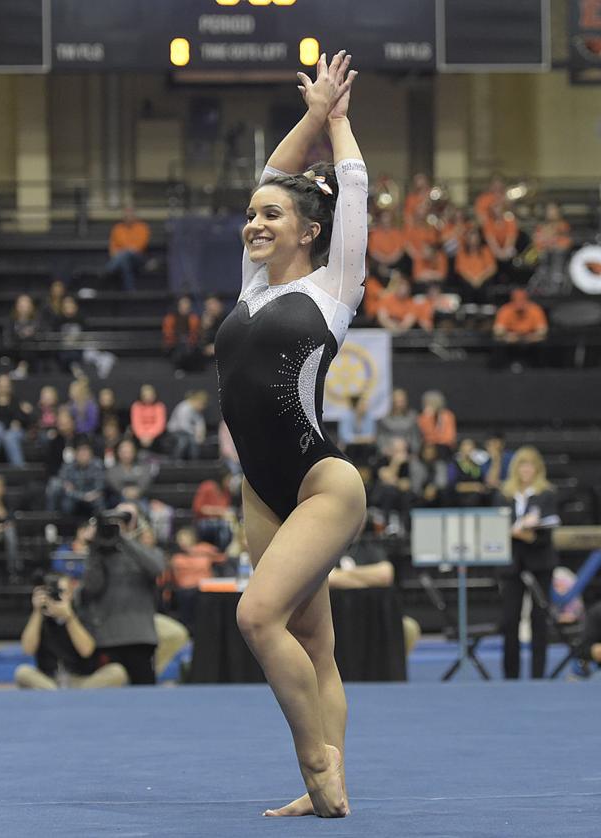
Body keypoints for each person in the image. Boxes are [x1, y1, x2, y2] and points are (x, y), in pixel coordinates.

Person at [211, 51, 361, 818]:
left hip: (318, 485)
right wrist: (309, 113)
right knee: (315, 643)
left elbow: (353, 188)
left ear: (310, 230)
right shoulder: (251, 286)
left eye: (273, 216)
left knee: (255, 616)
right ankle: (330, 791)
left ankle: (314, 763)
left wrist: (336, 123)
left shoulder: (334, 289)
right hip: (260, 492)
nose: (256, 223)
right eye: (253, 214)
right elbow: (273, 168)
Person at [493, 446, 561, 679]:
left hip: (539, 562)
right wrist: (521, 530)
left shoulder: (547, 493)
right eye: (522, 464)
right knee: (510, 619)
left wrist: (522, 532)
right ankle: (510, 674)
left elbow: (545, 532)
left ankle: (538, 673)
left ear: (538, 468)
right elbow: (498, 528)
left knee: (539, 618)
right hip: (512, 564)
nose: (526, 469)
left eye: (530, 465)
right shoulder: (504, 494)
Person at [77, 505, 163, 685]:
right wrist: (94, 548)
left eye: (121, 524)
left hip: (141, 637)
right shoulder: (98, 556)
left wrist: (123, 540)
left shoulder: (146, 552)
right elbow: (92, 587)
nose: (115, 528)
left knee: (145, 695)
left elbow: (156, 568)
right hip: (107, 638)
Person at [14, 573, 129, 689]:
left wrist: (69, 618)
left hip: (81, 681)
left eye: (61, 592)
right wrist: (37, 612)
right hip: (49, 682)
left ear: (71, 593)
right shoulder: (39, 618)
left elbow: (86, 650)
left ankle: (72, 697)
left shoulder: (84, 614)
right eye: (52, 592)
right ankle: (58, 695)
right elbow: (27, 650)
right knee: (22, 672)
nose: (57, 596)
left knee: (117, 671)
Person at [46, 439, 106, 519]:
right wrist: (83, 496)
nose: (83, 455)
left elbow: (99, 488)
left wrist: (76, 491)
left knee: (99, 501)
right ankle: (56, 523)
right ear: (75, 454)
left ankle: (101, 527)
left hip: (92, 496)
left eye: (86, 452)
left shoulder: (98, 465)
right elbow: (65, 488)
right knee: (66, 503)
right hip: (75, 497)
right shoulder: (68, 467)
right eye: (80, 452)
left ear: (91, 454)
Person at [491, 289, 548, 370]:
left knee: (543, 344)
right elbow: (497, 331)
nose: (520, 302)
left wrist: (529, 337)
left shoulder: (535, 310)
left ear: (527, 300)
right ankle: (499, 371)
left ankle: (540, 370)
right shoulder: (505, 310)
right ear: (512, 300)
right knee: (497, 342)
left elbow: (543, 331)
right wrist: (508, 336)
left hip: (531, 342)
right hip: (510, 342)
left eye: (522, 299)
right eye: (517, 299)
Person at [0, 374, 31, 467]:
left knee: (9, 436)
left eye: (6, 386)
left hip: (13, 432)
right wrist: (9, 423)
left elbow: (22, 419)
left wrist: (20, 419)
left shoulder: (15, 401)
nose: (4, 388)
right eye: (1, 385)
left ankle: (19, 466)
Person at [107, 205, 151, 292]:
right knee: (124, 260)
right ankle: (130, 290)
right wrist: (126, 251)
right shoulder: (117, 228)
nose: (128, 216)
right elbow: (113, 249)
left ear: (135, 215)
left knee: (125, 255)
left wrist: (124, 251)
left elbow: (139, 247)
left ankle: (110, 268)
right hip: (123, 259)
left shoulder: (142, 227)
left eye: (130, 214)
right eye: (126, 214)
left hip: (138, 258)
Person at [4, 294, 42, 380]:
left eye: (26, 305)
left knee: (28, 345)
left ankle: (22, 368)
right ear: (16, 306)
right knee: (25, 344)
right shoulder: (11, 321)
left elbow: (41, 337)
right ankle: (22, 367)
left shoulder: (37, 321)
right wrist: (21, 337)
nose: (24, 308)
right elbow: (8, 340)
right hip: (16, 351)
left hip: (33, 352)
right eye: (21, 305)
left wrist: (30, 336)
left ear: (31, 306)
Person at [375, 388, 421, 457]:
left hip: (408, 452)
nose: (399, 404)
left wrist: (412, 451)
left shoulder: (412, 417)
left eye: (401, 401)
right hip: (389, 452)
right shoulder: (384, 419)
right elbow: (380, 437)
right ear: (392, 401)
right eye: (397, 401)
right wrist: (386, 449)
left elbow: (415, 437)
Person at [163, 296, 202, 371]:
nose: (185, 307)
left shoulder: (194, 318)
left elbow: (195, 335)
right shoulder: (170, 319)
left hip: (190, 346)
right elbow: (168, 336)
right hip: (174, 346)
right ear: (178, 306)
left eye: (187, 305)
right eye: (183, 305)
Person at [167, 390, 208, 461]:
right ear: (196, 400)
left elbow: (200, 423)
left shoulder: (197, 410)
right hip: (175, 431)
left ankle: (194, 462)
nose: (202, 407)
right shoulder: (184, 408)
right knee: (183, 441)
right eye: (201, 404)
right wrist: (196, 434)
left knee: (194, 441)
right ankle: (176, 461)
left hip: (189, 432)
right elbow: (183, 425)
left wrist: (201, 434)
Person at [416, 389, 457, 456]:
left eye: (433, 402)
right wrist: (428, 418)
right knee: (428, 449)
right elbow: (426, 435)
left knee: (442, 449)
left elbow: (449, 437)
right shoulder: (423, 417)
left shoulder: (448, 415)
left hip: (444, 446)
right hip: (428, 447)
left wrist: (436, 439)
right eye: (428, 402)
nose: (430, 404)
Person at [131, 385, 168, 452]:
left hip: (156, 436)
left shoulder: (159, 406)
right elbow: (136, 423)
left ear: (154, 395)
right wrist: (142, 435)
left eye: (150, 395)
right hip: (140, 436)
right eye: (145, 395)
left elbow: (160, 424)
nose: (148, 397)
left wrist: (150, 435)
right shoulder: (136, 406)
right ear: (141, 396)